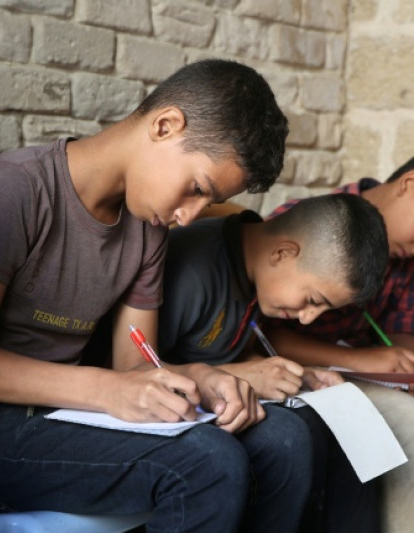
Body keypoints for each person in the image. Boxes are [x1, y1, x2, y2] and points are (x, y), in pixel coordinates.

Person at [0, 59, 307, 532]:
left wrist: (204, 377)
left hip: (61, 410)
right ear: (165, 125)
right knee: (205, 464)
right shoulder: (17, 188)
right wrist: (106, 391)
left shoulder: (147, 229)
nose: (189, 215)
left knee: (283, 438)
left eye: (206, 202)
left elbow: (133, 365)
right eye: (197, 189)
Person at [263, 146, 414, 533]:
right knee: (410, 420)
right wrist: (368, 361)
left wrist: (410, 365)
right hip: (311, 368)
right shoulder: (319, 223)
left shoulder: (405, 253)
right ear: (410, 184)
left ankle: (378, 513)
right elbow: (265, 336)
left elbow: (404, 321)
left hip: (368, 364)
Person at [158, 193, 390, 533]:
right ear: (283, 253)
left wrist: (296, 375)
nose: (309, 319)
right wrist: (239, 374)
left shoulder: (254, 271)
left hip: (218, 400)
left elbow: (226, 350)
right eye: (313, 301)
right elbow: (135, 370)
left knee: (344, 419)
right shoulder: (192, 270)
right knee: (289, 435)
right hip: (167, 414)